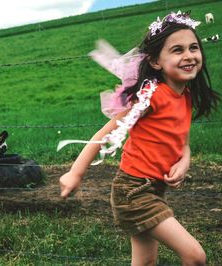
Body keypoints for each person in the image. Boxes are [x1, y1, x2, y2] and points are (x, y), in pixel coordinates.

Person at [59, 11, 220, 265]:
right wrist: (75, 173)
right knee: (195, 256)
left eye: (193, 48)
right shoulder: (151, 96)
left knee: (145, 262)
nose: (189, 55)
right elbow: (107, 130)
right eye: (177, 50)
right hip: (133, 192)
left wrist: (184, 161)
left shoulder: (185, 95)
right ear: (156, 61)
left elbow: (184, 142)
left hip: (156, 189)